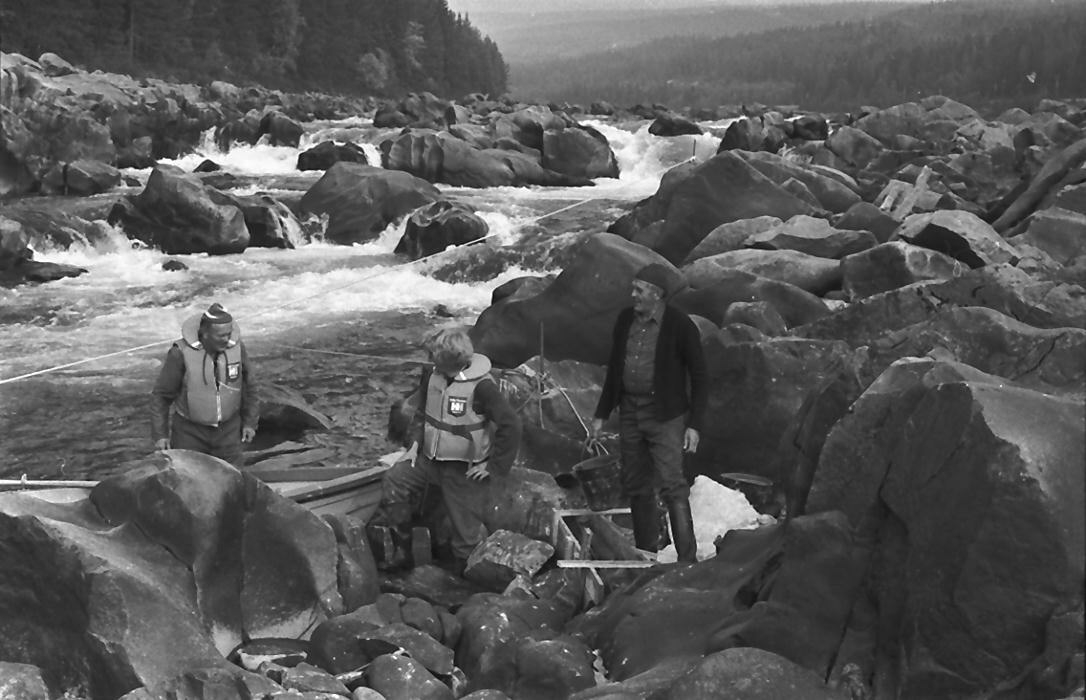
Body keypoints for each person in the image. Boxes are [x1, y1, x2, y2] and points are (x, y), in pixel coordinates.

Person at [377, 327, 521, 572]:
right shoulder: (433, 377)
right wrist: (413, 445)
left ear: (445, 359)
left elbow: (511, 425)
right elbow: (424, 414)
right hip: (428, 460)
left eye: (432, 355)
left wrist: (494, 466)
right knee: (395, 480)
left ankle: (467, 579)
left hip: (463, 468)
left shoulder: (483, 388)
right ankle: (403, 551)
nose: (429, 359)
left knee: (465, 534)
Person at [591, 263, 707, 563]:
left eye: (639, 290)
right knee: (636, 483)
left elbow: (701, 376)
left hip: (666, 416)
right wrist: (601, 414)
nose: (633, 295)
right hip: (630, 410)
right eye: (634, 288)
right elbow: (615, 368)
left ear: (657, 295)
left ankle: (687, 560)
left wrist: (694, 425)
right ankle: (646, 556)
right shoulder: (625, 320)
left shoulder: (680, 326)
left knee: (672, 485)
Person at [150, 303, 260, 466]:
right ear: (205, 334)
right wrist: (160, 435)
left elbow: (251, 387)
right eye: (220, 336)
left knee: (233, 480)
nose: (226, 339)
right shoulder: (180, 353)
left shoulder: (237, 349)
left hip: (229, 432)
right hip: (189, 433)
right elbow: (161, 396)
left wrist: (250, 423)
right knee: (188, 483)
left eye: (228, 334)